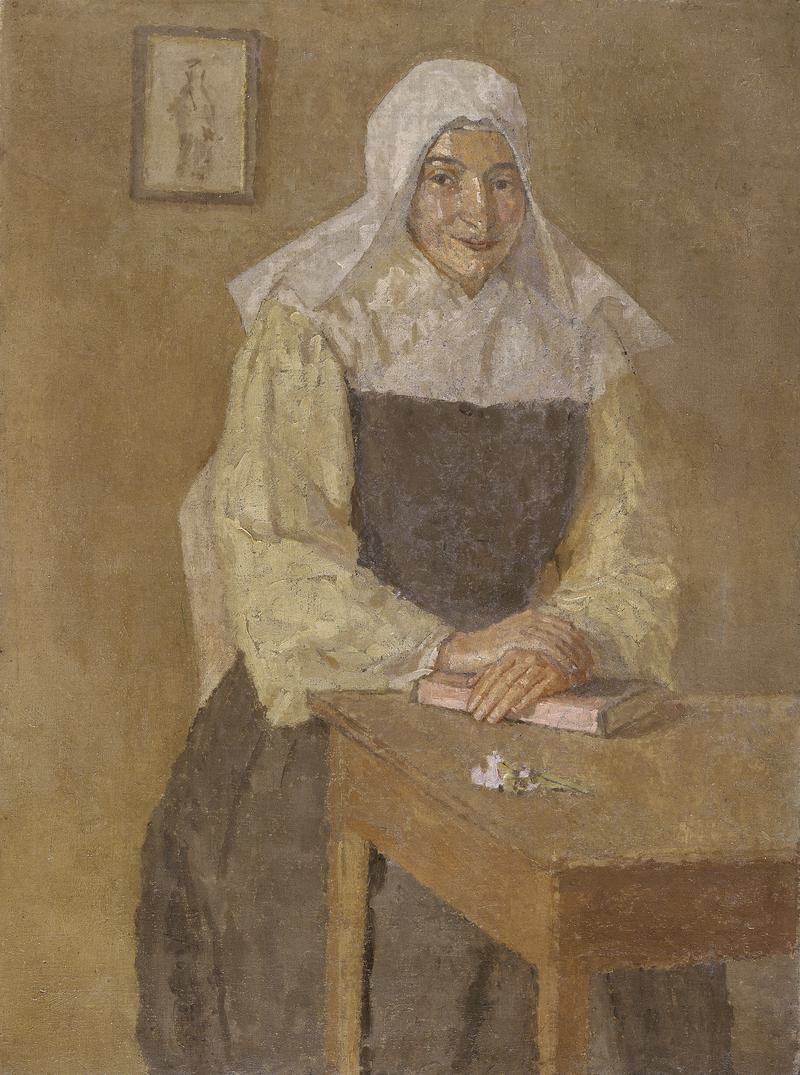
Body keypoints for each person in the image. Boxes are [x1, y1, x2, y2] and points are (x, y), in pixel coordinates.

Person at [136, 59, 732, 1074]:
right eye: (444, 178)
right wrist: (450, 649)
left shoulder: (575, 336)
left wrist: (565, 641)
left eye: (503, 181)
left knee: (643, 913)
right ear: (396, 181)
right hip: (344, 702)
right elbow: (276, 556)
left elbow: (631, 550)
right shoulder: (316, 323)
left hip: (524, 699)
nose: (477, 211)